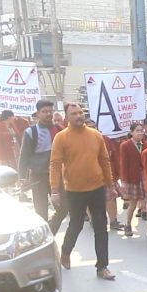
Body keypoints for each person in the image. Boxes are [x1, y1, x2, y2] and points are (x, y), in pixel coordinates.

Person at [49, 103, 115, 280]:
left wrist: (110, 185)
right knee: (76, 224)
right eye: (74, 113)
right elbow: (55, 164)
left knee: (101, 227)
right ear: (67, 117)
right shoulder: (61, 137)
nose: (79, 116)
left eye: (80, 113)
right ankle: (65, 251)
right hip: (74, 190)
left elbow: (104, 161)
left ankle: (102, 267)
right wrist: (54, 190)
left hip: (97, 188)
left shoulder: (95, 135)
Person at [18, 100, 63, 223]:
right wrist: (22, 176)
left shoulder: (60, 129)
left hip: (58, 176)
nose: (48, 114)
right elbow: (24, 156)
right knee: (41, 210)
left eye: (50, 111)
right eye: (44, 112)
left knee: (63, 208)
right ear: (37, 113)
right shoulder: (31, 132)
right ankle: (44, 235)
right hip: (38, 176)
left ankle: (51, 230)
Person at [119, 123, 146, 237]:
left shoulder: (145, 144)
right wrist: (124, 181)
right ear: (131, 132)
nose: (140, 133)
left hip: (144, 178)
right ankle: (128, 224)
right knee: (133, 203)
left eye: (141, 130)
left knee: (146, 202)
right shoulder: (125, 145)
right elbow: (123, 164)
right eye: (137, 131)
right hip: (132, 178)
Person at [103, 134, 125, 231]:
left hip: (107, 173)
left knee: (111, 197)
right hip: (89, 175)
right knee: (89, 200)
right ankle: (92, 220)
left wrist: (118, 172)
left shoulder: (106, 139)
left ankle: (113, 221)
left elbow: (114, 156)